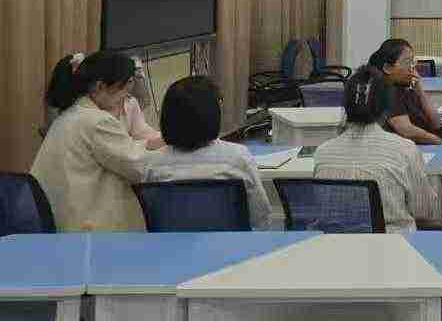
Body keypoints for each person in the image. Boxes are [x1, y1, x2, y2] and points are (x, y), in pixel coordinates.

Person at [313, 66, 442, 233]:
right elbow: (425, 211)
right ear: (386, 109)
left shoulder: (322, 152)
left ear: (346, 107)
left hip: (335, 243)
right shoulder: (405, 150)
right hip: (394, 244)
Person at [31, 52, 150, 231]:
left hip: (63, 224)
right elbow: (138, 168)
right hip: (91, 231)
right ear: (100, 86)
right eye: (123, 91)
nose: (125, 99)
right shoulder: (97, 121)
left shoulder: (69, 115)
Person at [142, 76, 272, 229]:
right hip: (227, 242)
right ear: (213, 115)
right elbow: (260, 214)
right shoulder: (237, 157)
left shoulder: (153, 164)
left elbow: (152, 217)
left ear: (167, 118)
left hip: (172, 242)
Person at [373, 38, 442, 145]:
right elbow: (406, 130)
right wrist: (438, 142)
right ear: (388, 68)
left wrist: (419, 88)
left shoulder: (405, 88)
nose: (412, 68)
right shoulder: (386, 91)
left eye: (412, 62)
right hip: (406, 150)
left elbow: (436, 123)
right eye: (407, 62)